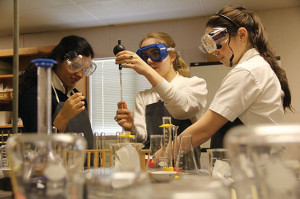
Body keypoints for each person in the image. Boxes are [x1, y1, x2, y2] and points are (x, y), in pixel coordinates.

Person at [180, 6, 292, 149]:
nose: (214, 51)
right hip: (262, 164)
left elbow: (203, 130)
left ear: (242, 35)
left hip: (256, 167)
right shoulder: (257, 67)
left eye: (217, 41)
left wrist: (159, 157)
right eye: (209, 44)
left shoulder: (247, 72)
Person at [114, 32, 208, 148]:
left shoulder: (194, 84)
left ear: (172, 56)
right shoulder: (143, 96)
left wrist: (148, 72)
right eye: (145, 56)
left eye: (155, 53)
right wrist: (132, 128)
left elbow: (183, 108)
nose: (149, 61)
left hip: (186, 163)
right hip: (152, 163)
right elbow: (142, 139)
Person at [19, 35, 96, 149]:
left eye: (84, 70)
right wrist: (63, 117)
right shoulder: (36, 96)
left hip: (82, 165)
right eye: (75, 66)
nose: (80, 74)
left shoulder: (78, 97)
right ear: (58, 59)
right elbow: (37, 148)